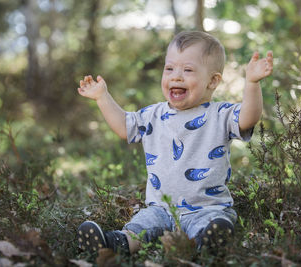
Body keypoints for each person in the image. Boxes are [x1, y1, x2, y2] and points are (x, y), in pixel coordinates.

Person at [76, 31, 273, 255]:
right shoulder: (153, 114)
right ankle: (113, 244)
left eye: (187, 70)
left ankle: (210, 242)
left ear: (213, 80)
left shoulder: (221, 114)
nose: (176, 76)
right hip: (160, 209)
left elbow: (249, 117)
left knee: (212, 224)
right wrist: (103, 97)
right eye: (169, 68)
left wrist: (252, 84)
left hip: (206, 208)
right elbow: (124, 127)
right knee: (140, 227)